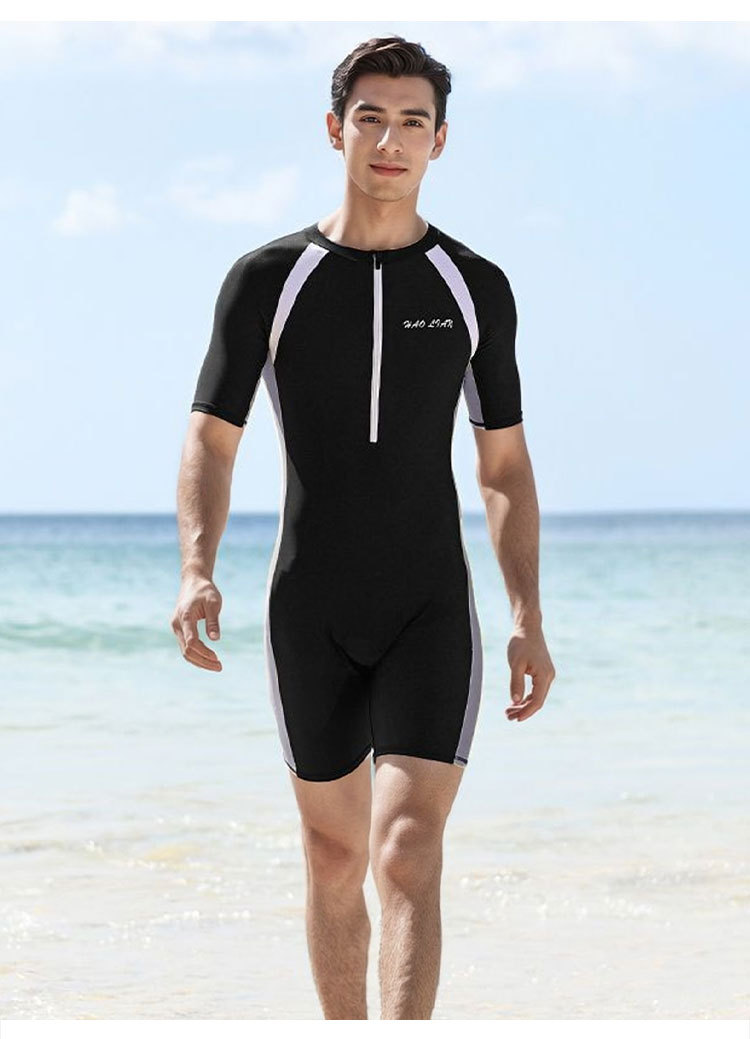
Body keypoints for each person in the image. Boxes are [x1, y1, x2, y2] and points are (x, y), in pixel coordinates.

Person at [172, 34, 555, 1020]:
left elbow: (503, 464)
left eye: (412, 122)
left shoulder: (474, 285)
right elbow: (212, 438)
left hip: (429, 605)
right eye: (371, 118)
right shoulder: (269, 278)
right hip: (312, 605)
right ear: (335, 129)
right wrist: (197, 566)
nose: (391, 141)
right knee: (334, 853)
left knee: (408, 851)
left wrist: (526, 614)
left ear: (440, 141)